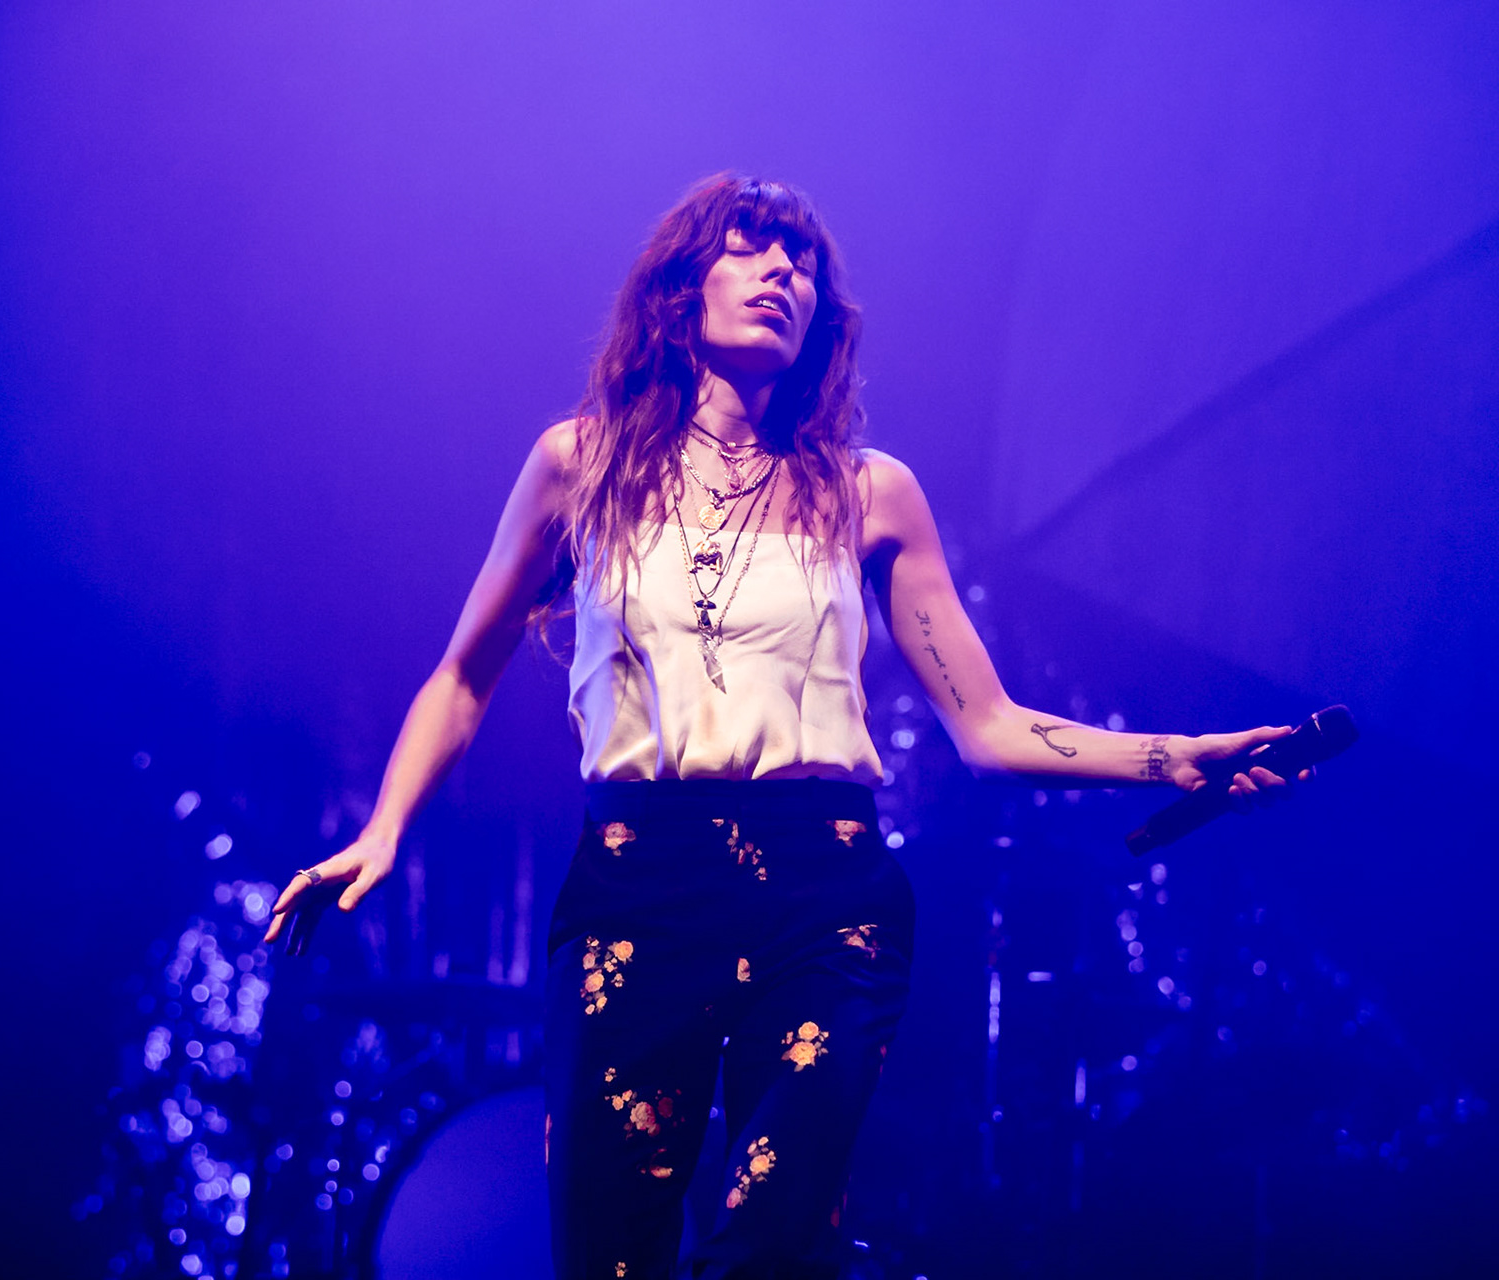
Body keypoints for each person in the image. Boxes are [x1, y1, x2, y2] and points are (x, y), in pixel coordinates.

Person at [264, 174, 1306, 1280]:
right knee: (609, 1249)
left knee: (771, 1248)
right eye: (752, 247)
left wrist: (1169, 759)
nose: (782, 273)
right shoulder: (579, 464)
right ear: (679, 289)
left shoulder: (871, 492)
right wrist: (384, 831)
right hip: (637, 881)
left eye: (802, 262)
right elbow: (461, 675)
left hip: (827, 891)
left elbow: (989, 725)